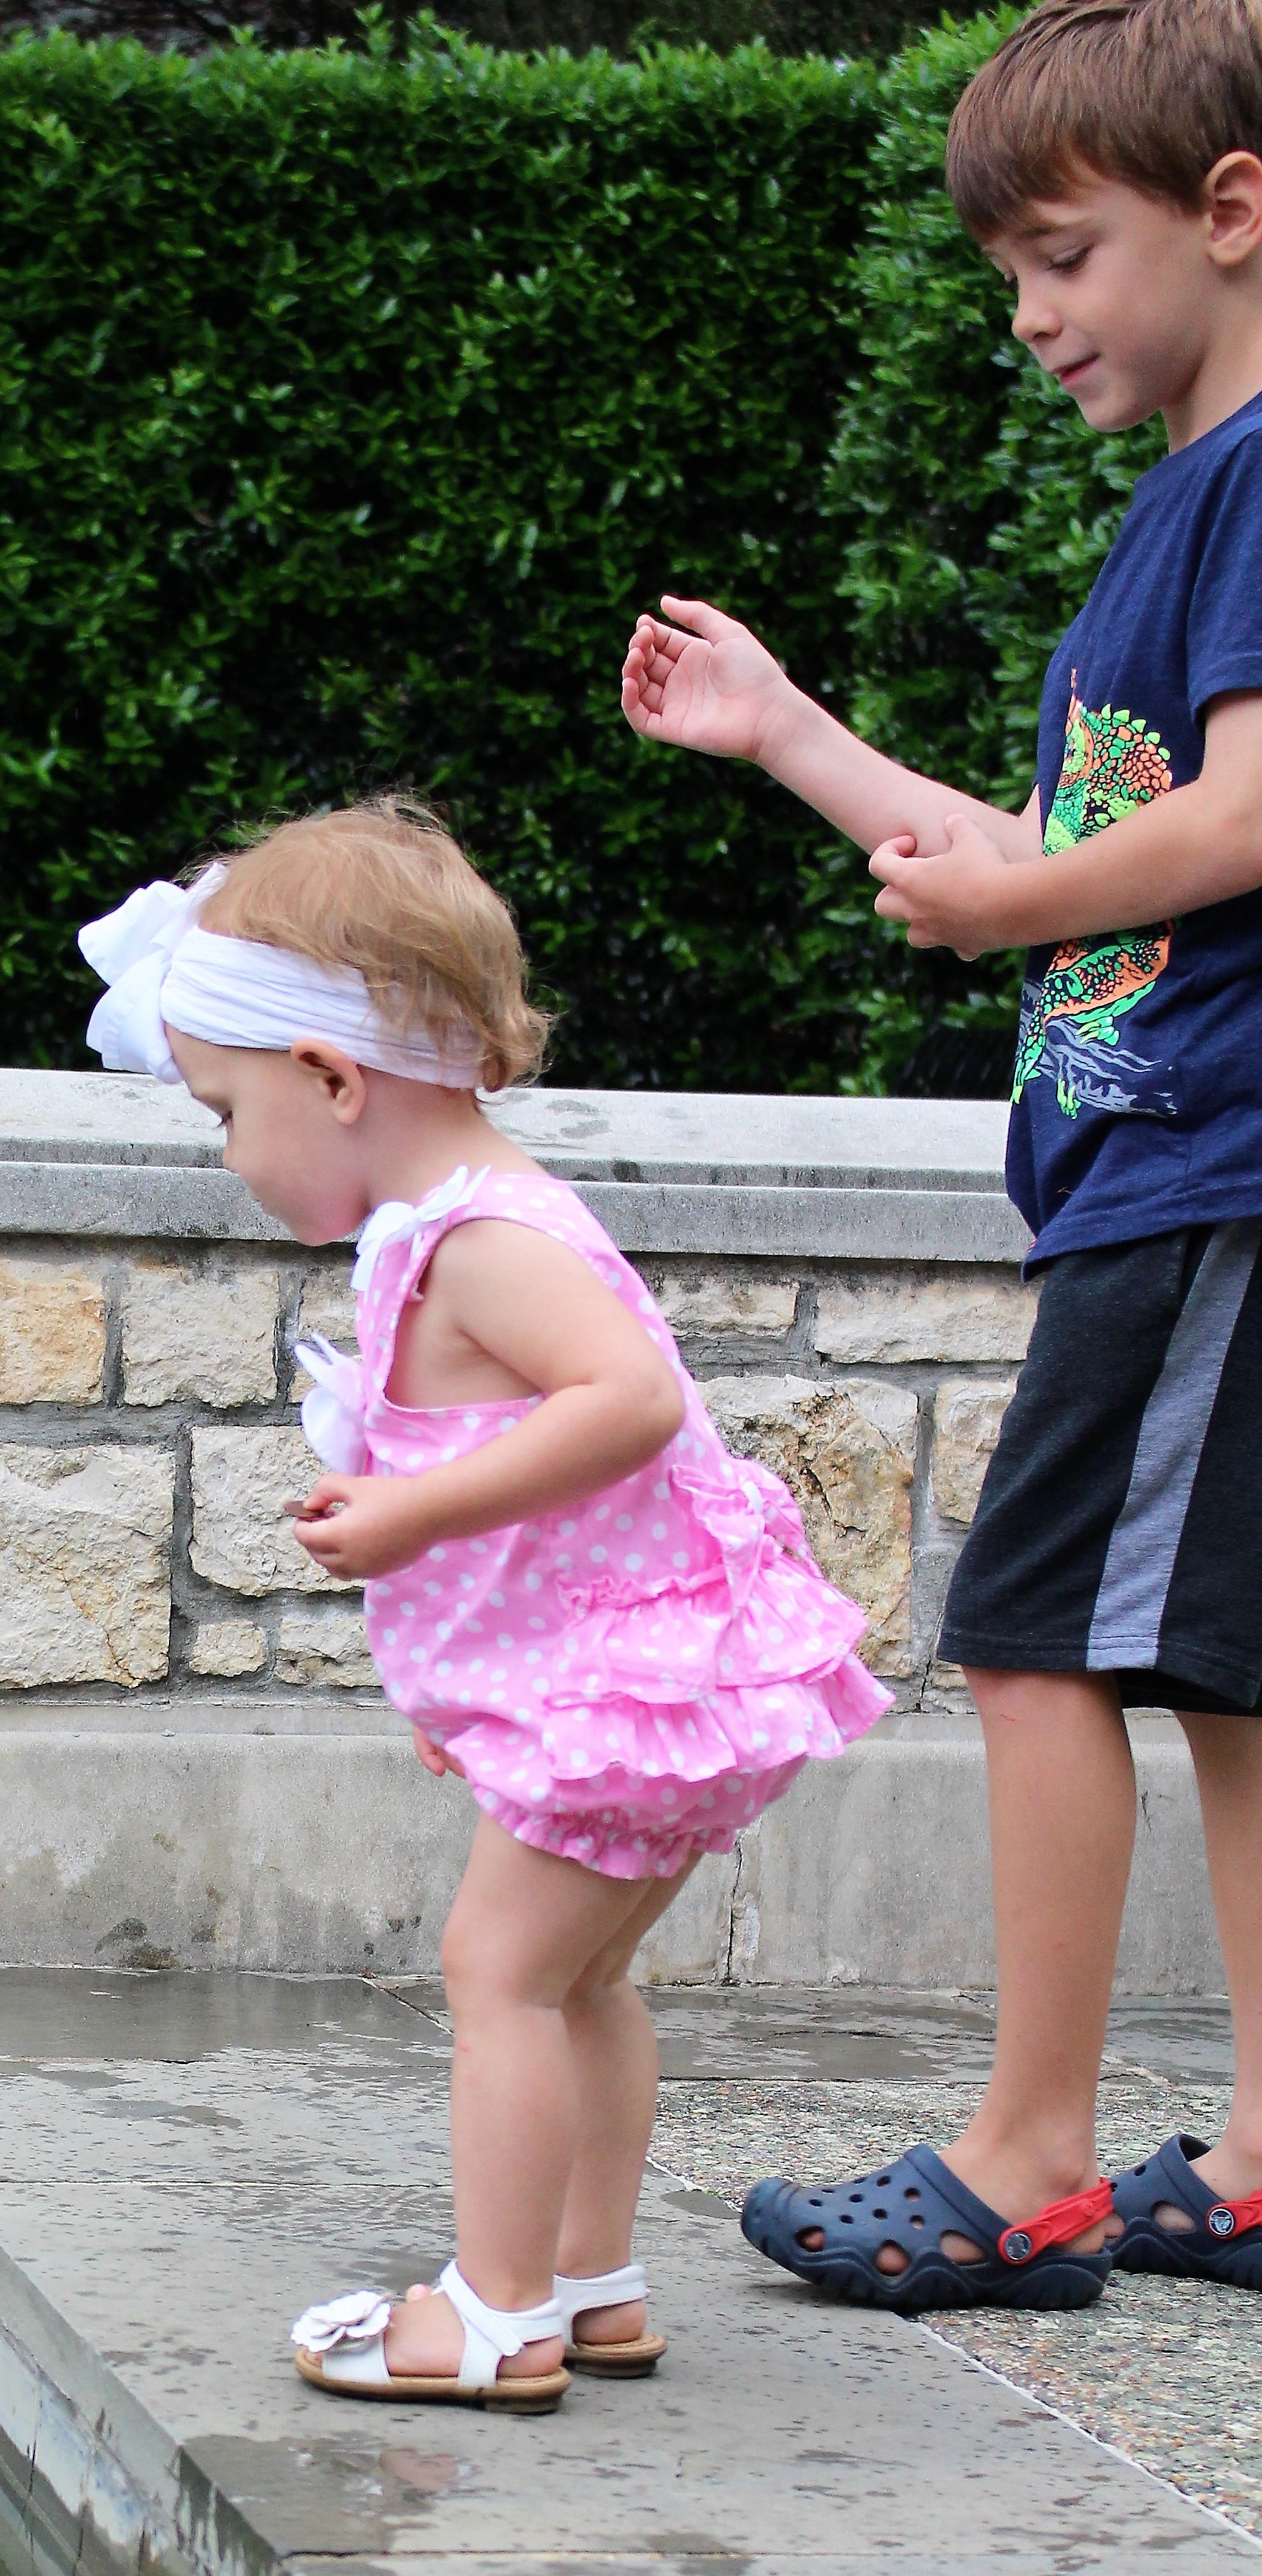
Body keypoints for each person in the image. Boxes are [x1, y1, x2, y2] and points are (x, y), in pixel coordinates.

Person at [622, 0, 1262, 2315]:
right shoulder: (1187, 505)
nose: (1024, 315)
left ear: (1234, 210)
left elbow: (1238, 820)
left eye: (1061, 257)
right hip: (1182, 1173)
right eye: (1006, 272)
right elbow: (1060, 852)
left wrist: (1017, 905)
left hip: (1204, 1165)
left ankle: (1027, 2160)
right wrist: (789, 730)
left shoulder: (1257, 479)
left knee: (1027, 1639)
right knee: (1218, 1670)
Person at [80, 805, 889, 2406]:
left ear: (332, 1076)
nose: (229, 1155)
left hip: (635, 1691)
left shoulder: (480, 1238)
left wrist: (410, 1511)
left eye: (227, 1111)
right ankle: (593, 2282)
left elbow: (630, 1404)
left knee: (499, 1977)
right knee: (579, 1984)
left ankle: (496, 2314)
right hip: (639, 1686)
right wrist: (463, 1669)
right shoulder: (452, 1229)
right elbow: (555, 1506)